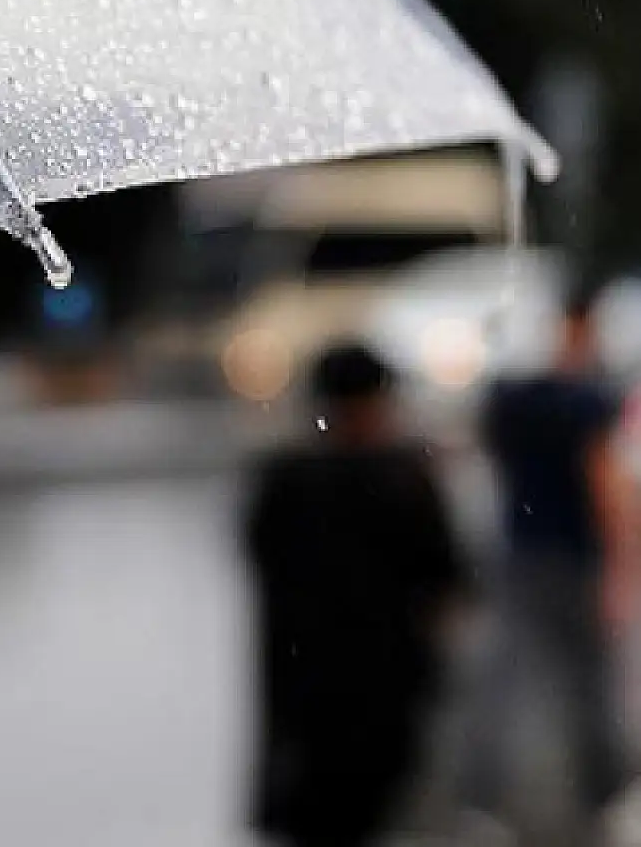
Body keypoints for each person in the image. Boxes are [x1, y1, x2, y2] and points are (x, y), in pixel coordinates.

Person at [245, 342, 469, 847]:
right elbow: (446, 582)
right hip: (381, 696)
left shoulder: (285, 480)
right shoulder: (400, 479)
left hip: (305, 700)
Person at [461, 286, 637, 839]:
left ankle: (486, 799)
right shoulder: (584, 403)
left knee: (509, 679)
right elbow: (606, 485)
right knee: (589, 684)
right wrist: (622, 567)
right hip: (573, 559)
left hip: (523, 558)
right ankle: (604, 794)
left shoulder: (511, 400)